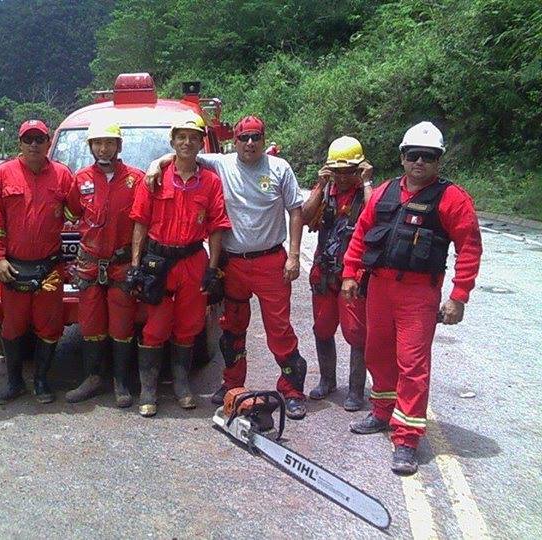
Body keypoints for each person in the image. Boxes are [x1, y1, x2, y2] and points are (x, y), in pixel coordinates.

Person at [341, 121, 483, 475]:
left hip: (419, 293)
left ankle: (406, 438)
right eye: (413, 155)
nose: (419, 162)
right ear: (403, 157)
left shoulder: (452, 199)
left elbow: (469, 249)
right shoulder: (384, 192)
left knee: (412, 364)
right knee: (377, 352)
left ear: (438, 160)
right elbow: (361, 235)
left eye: (428, 156)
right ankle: (382, 412)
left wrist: (458, 296)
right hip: (380, 288)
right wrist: (349, 274)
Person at [145, 115, 308, 419]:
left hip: (271, 261)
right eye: (244, 137)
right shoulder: (221, 163)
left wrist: (294, 255)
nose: (249, 143)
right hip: (233, 263)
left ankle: (292, 389)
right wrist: (158, 163)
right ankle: (232, 385)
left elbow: (295, 213)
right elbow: (184, 151)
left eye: (255, 137)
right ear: (235, 140)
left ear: (263, 139)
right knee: (232, 328)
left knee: (280, 329)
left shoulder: (279, 168)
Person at [128, 114, 231, 417]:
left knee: (189, 326)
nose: (187, 142)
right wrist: (135, 265)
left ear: (201, 143)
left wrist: (212, 269)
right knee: (155, 327)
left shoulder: (211, 182)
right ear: (172, 142)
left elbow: (216, 228)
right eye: (181, 137)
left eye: (193, 137)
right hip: (158, 262)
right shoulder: (154, 178)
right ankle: (148, 390)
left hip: (192, 261)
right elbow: (140, 223)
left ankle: (182, 385)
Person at [0, 120, 74, 405]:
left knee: (49, 326)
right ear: (20, 144)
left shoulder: (63, 175)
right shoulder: (3, 174)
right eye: (28, 139)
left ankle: (41, 381)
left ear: (49, 143)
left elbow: (78, 213)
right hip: (13, 268)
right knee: (12, 327)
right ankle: (14, 383)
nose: (34, 144)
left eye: (39, 139)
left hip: (50, 269)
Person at [63, 121, 144, 407]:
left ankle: (121, 382)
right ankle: (92, 378)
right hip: (89, 265)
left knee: (122, 326)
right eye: (98, 143)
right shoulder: (80, 179)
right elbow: (72, 212)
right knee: (90, 323)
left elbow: (144, 221)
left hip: (121, 264)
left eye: (109, 142)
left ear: (119, 146)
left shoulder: (137, 179)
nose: (103, 148)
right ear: (91, 147)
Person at [303, 136, 373, 412]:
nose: (343, 177)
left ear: (359, 169)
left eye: (349, 171)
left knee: (356, 333)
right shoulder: (326, 192)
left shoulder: (365, 193)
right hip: (324, 272)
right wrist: (321, 185)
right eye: (338, 171)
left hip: (352, 275)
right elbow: (307, 216)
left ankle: (356, 390)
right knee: (322, 328)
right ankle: (327, 380)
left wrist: (366, 182)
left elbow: (376, 217)